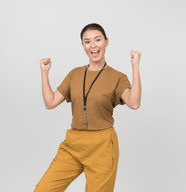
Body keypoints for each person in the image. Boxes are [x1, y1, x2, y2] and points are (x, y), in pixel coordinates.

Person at [34, 23, 142, 192]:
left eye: (97, 40)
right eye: (87, 42)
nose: (93, 46)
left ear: (106, 42)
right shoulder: (74, 74)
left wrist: (135, 67)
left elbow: (134, 103)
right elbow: (50, 102)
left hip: (102, 146)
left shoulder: (117, 77)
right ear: (83, 46)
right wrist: (44, 73)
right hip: (73, 144)